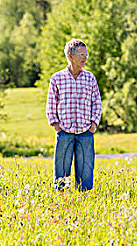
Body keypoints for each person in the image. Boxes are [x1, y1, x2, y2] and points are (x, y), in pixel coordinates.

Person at [46, 38, 102, 191]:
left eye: (86, 55)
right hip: (64, 131)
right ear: (70, 56)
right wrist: (56, 126)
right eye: (81, 55)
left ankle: (84, 197)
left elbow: (97, 102)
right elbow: (51, 103)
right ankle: (62, 198)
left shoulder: (90, 78)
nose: (85, 58)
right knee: (61, 169)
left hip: (85, 131)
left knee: (85, 169)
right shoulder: (57, 78)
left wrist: (93, 124)